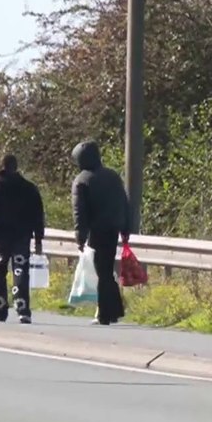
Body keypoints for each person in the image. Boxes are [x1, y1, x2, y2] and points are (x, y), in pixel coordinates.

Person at [0, 155, 45, 324]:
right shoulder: (29, 188)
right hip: (22, 236)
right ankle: (23, 309)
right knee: (20, 271)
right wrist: (39, 239)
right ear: (16, 166)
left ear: (1, 166)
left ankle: (0, 309)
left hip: (2, 237)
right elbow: (38, 215)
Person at [70, 140, 132, 326]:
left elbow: (79, 212)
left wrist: (80, 236)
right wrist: (126, 228)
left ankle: (105, 314)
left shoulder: (82, 180)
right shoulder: (113, 176)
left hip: (96, 231)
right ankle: (114, 311)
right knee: (106, 270)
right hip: (113, 229)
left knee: (102, 272)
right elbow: (124, 202)